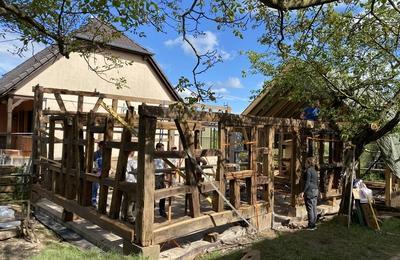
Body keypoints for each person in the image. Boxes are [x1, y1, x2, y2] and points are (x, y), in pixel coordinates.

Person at [302, 157, 319, 230]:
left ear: (308, 163)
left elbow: (307, 182)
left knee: (310, 208)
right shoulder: (315, 171)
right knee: (314, 208)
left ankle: (311, 225)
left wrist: (303, 191)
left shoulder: (308, 171)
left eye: (306, 162)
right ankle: (314, 224)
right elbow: (317, 181)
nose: (305, 164)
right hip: (315, 190)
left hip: (310, 191)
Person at [121, 151, 137, 223]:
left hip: (125, 181)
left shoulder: (122, 161)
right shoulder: (133, 161)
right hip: (132, 182)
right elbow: (137, 171)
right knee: (132, 201)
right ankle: (130, 217)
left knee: (126, 199)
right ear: (132, 153)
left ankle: (123, 215)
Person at [154, 143, 167, 218]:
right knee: (154, 194)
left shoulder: (163, 156)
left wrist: (166, 175)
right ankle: (152, 210)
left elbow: (165, 165)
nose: (163, 150)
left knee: (164, 194)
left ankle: (162, 211)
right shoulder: (154, 156)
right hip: (155, 176)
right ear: (158, 148)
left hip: (161, 176)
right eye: (162, 148)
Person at [92, 141, 104, 207]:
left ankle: (102, 201)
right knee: (95, 186)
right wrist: (97, 170)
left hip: (104, 172)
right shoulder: (95, 154)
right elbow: (94, 164)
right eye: (101, 147)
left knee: (103, 187)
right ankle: (94, 200)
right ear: (99, 146)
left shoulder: (106, 154)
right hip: (96, 173)